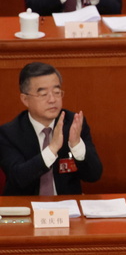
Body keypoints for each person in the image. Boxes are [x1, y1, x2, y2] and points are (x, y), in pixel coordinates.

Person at [0, 63, 103, 196]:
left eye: (56, 92)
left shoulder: (73, 124)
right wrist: (52, 149)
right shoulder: (9, 133)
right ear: (25, 99)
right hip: (25, 208)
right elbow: (18, 177)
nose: (52, 100)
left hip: (67, 209)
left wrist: (77, 146)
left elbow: (93, 175)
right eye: (43, 94)